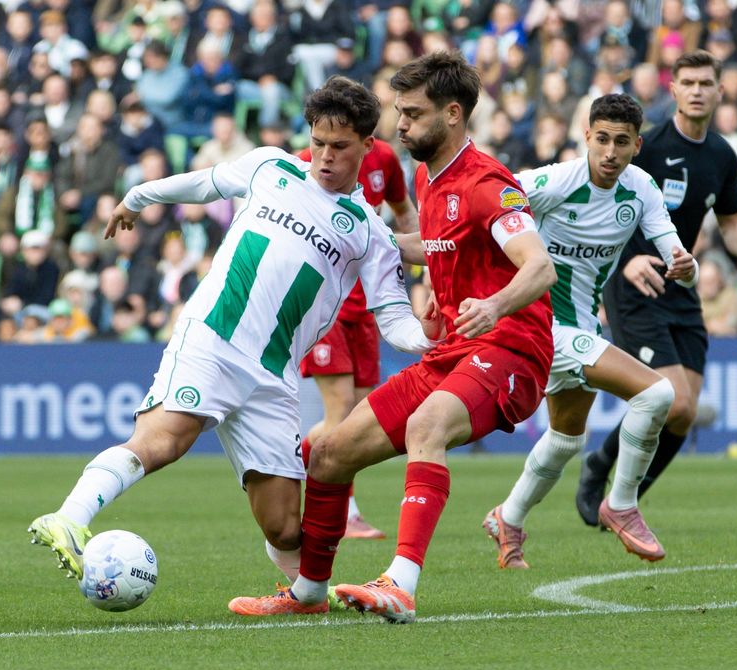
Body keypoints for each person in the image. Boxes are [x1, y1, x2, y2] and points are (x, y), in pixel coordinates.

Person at [27, 77, 441, 592]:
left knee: (286, 527)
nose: (325, 156)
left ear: (366, 146)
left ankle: (304, 597)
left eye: (339, 147)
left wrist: (426, 339)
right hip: (213, 340)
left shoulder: (369, 232)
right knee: (164, 441)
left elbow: (392, 315)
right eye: (317, 143)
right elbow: (203, 184)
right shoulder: (272, 166)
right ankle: (68, 518)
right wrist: (138, 195)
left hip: (272, 377)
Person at [229, 51, 556, 622]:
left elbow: (540, 266)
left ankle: (400, 584)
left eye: (411, 113)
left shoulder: (487, 182)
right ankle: (307, 594)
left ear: (453, 114)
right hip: (455, 350)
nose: (398, 125)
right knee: (326, 452)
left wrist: (495, 304)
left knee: (426, 425)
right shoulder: (432, 177)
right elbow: (432, 247)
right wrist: (362, 236)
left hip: (510, 347)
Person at [484, 94, 697, 570]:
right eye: (601, 139)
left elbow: (676, 252)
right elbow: (492, 203)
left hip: (579, 324)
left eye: (622, 142)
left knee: (565, 439)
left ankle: (508, 517)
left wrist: (687, 266)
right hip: (538, 322)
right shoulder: (556, 179)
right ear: (586, 137)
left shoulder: (641, 190)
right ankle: (621, 503)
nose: (610, 152)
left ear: (637, 145)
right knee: (658, 395)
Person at [576, 50, 737, 525]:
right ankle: (600, 468)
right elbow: (603, 208)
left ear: (721, 91)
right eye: (688, 82)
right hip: (632, 282)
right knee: (672, 399)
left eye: (707, 82)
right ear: (674, 89)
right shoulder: (649, 145)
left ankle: (628, 497)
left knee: (684, 411)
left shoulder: (722, 153)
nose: (698, 90)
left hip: (680, 281)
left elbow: (731, 220)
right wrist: (624, 260)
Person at [295, 137, 419, 540]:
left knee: (359, 414)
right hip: (324, 303)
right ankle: (345, 514)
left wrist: (427, 263)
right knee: (342, 411)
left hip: (367, 306)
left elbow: (404, 213)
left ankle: (290, 459)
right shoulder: (306, 161)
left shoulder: (383, 158)